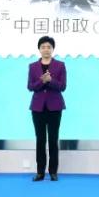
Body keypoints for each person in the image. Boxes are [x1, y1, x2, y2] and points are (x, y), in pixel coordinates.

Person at [28, 35, 66, 181]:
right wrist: (42, 81)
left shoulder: (60, 65)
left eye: (48, 47)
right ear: (39, 49)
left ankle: (53, 171)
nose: (46, 49)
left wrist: (50, 81)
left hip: (55, 107)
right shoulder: (33, 66)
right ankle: (40, 172)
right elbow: (30, 86)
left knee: (53, 139)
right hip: (37, 107)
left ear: (52, 49)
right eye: (43, 47)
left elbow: (62, 86)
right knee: (40, 140)